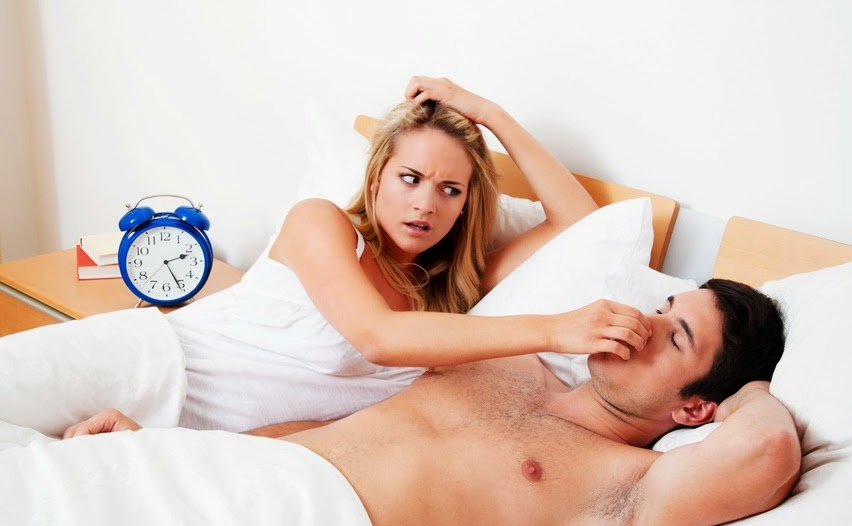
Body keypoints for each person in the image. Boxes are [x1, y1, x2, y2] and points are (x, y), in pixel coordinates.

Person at [64, 276, 798, 526]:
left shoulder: (629, 487)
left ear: (696, 406)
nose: (644, 322)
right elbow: (339, 434)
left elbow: (765, 449)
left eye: (676, 336)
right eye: (663, 305)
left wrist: (748, 390)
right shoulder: (510, 361)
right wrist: (170, 450)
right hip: (224, 483)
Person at [161, 76, 653, 431]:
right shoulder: (320, 222)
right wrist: (554, 329)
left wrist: (491, 115)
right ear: (377, 178)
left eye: (450, 189)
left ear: (465, 205)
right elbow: (379, 338)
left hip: (207, 448)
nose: (425, 204)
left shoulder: (454, 298)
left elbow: (580, 225)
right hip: (162, 371)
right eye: (410, 179)